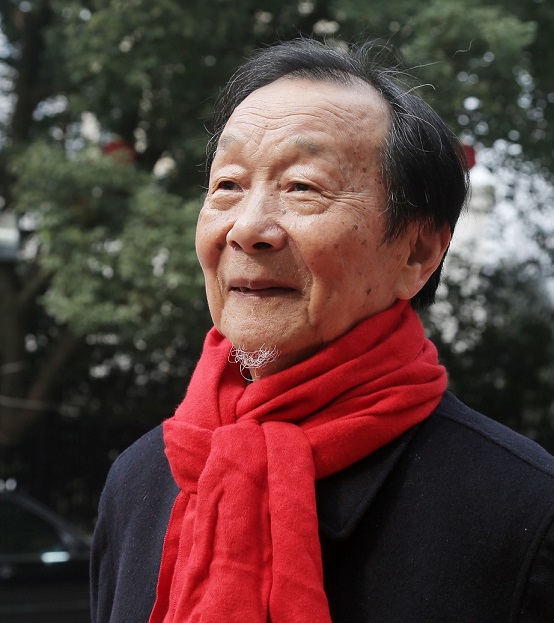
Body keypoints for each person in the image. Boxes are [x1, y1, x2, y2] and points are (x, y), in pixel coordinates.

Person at [91, 38, 554, 622]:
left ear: (416, 252)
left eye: (302, 187)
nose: (248, 228)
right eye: (228, 185)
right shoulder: (141, 482)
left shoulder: (523, 513)